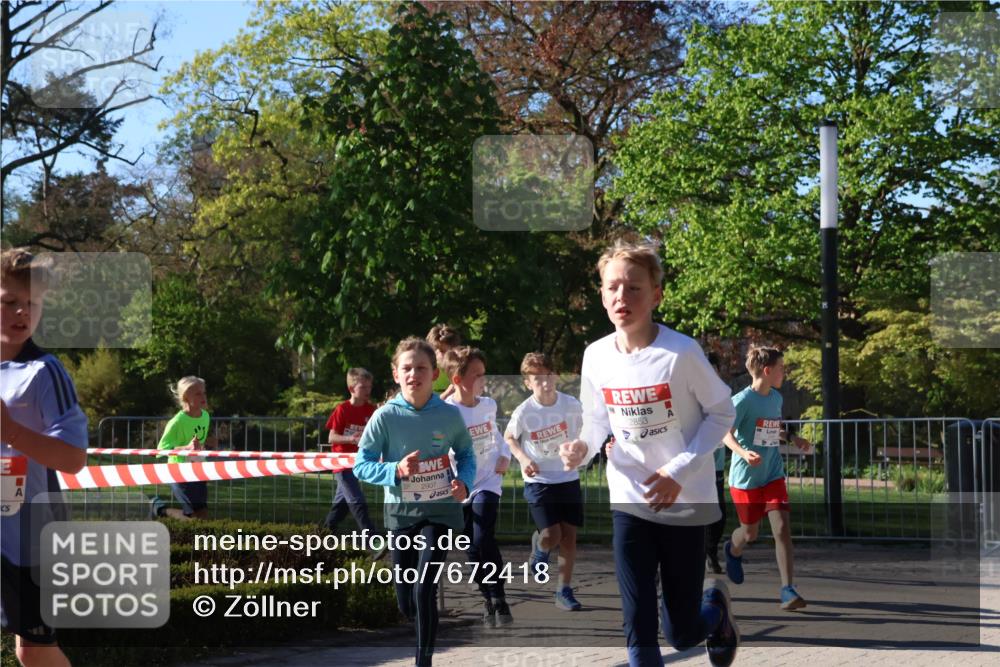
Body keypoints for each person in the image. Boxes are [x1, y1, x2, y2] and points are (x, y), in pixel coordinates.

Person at [561, 240, 740, 667]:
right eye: (612, 287)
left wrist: (678, 470)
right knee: (638, 624)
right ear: (602, 294)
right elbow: (596, 420)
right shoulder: (596, 355)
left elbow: (722, 412)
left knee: (681, 633)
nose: (621, 296)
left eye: (634, 287)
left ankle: (715, 612)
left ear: (656, 295)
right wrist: (583, 447)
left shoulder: (681, 353)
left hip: (686, 499)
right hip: (630, 497)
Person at [353, 337, 475, 667]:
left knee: (424, 589)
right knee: (406, 600)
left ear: (434, 374)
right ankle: (411, 612)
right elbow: (361, 464)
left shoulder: (449, 414)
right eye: (407, 368)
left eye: (421, 368)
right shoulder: (385, 416)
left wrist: (464, 482)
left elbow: (466, 453)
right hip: (401, 514)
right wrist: (395, 470)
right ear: (396, 374)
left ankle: (424, 662)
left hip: (441, 511)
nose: (413, 374)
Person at [1, 248, 88, 667]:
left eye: (32, 303)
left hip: (29, 539)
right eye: (9, 301)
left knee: (34, 652)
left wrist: (11, 432)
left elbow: (74, 458)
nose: (22, 311)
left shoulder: (44, 371)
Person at [722, 346, 811, 611]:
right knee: (750, 533)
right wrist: (742, 452)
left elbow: (773, 429)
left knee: (782, 529)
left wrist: (792, 437)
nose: (785, 372)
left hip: (772, 474)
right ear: (767, 370)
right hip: (746, 479)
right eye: (781, 368)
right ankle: (732, 549)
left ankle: (787, 589)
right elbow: (725, 433)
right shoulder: (741, 401)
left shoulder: (776, 398)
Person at [504, 352, 584, 611]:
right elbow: (509, 437)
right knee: (552, 534)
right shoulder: (525, 411)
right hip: (538, 479)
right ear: (528, 383)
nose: (545, 382)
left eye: (548, 375)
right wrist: (523, 458)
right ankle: (540, 547)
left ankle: (563, 590)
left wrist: (580, 447)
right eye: (537, 378)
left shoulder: (570, 404)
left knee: (569, 536)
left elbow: (586, 430)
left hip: (568, 477)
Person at [442, 346, 513, 627]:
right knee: (471, 545)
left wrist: (505, 455)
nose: (484, 380)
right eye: (477, 375)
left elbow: (496, 436)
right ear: (458, 380)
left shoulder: (488, 405)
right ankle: (487, 598)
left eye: (484, 373)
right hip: (462, 484)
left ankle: (499, 597)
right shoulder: (447, 412)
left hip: (488, 480)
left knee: (484, 536)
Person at [321, 367, 378, 538]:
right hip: (341, 464)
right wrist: (351, 439)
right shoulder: (342, 409)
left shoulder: (372, 410)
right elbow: (332, 437)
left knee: (341, 506)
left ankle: (322, 536)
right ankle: (372, 538)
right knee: (356, 500)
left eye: (370, 387)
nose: (368, 390)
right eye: (363, 387)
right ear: (352, 389)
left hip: (358, 463)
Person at [150, 376, 217, 520]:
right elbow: (161, 450)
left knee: (201, 515)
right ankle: (160, 509)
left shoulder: (205, 416)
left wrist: (208, 444)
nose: (203, 396)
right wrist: (186, 448)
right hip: (179, 472)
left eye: (204, 392)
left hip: (199, 470)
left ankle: (160, 509)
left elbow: (198, 444)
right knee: (195, 517)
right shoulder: (176, 422)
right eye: (198, 394)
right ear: (186, 397)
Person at [704, 353, 728, 574]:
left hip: (717, 468)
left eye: (714, 370)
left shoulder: (723, 397)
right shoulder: (692, 396)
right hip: (697, 467)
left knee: (719, 515)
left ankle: (710, 551)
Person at [426, 324, 461, 401]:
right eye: (442, 351)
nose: (447, 356)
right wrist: (447, 393)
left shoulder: (459, 369)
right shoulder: (427, 370)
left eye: (451, 352)